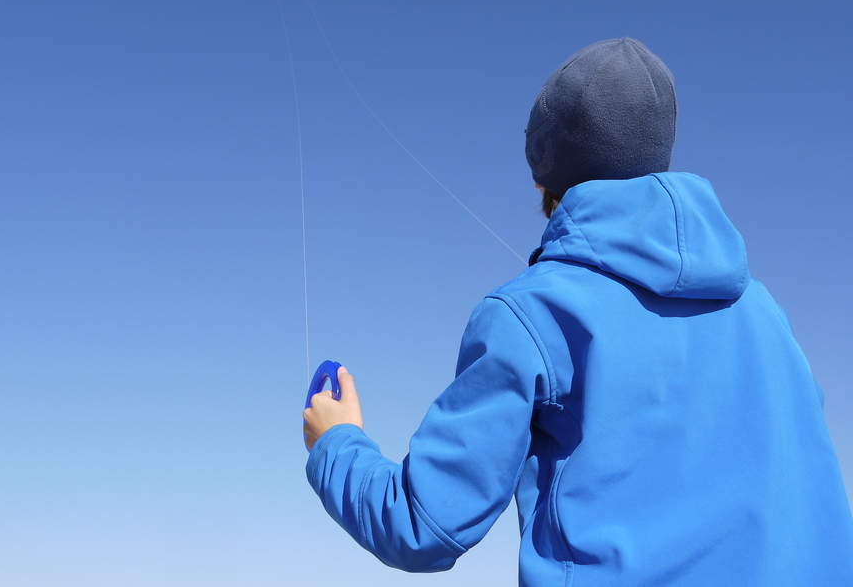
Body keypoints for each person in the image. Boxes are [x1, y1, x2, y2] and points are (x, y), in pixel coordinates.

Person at [302, 38, 853, 585]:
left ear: (541, 175)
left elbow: (422, 524)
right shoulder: (765, 311)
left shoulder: (526, 311)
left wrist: (336, 441)